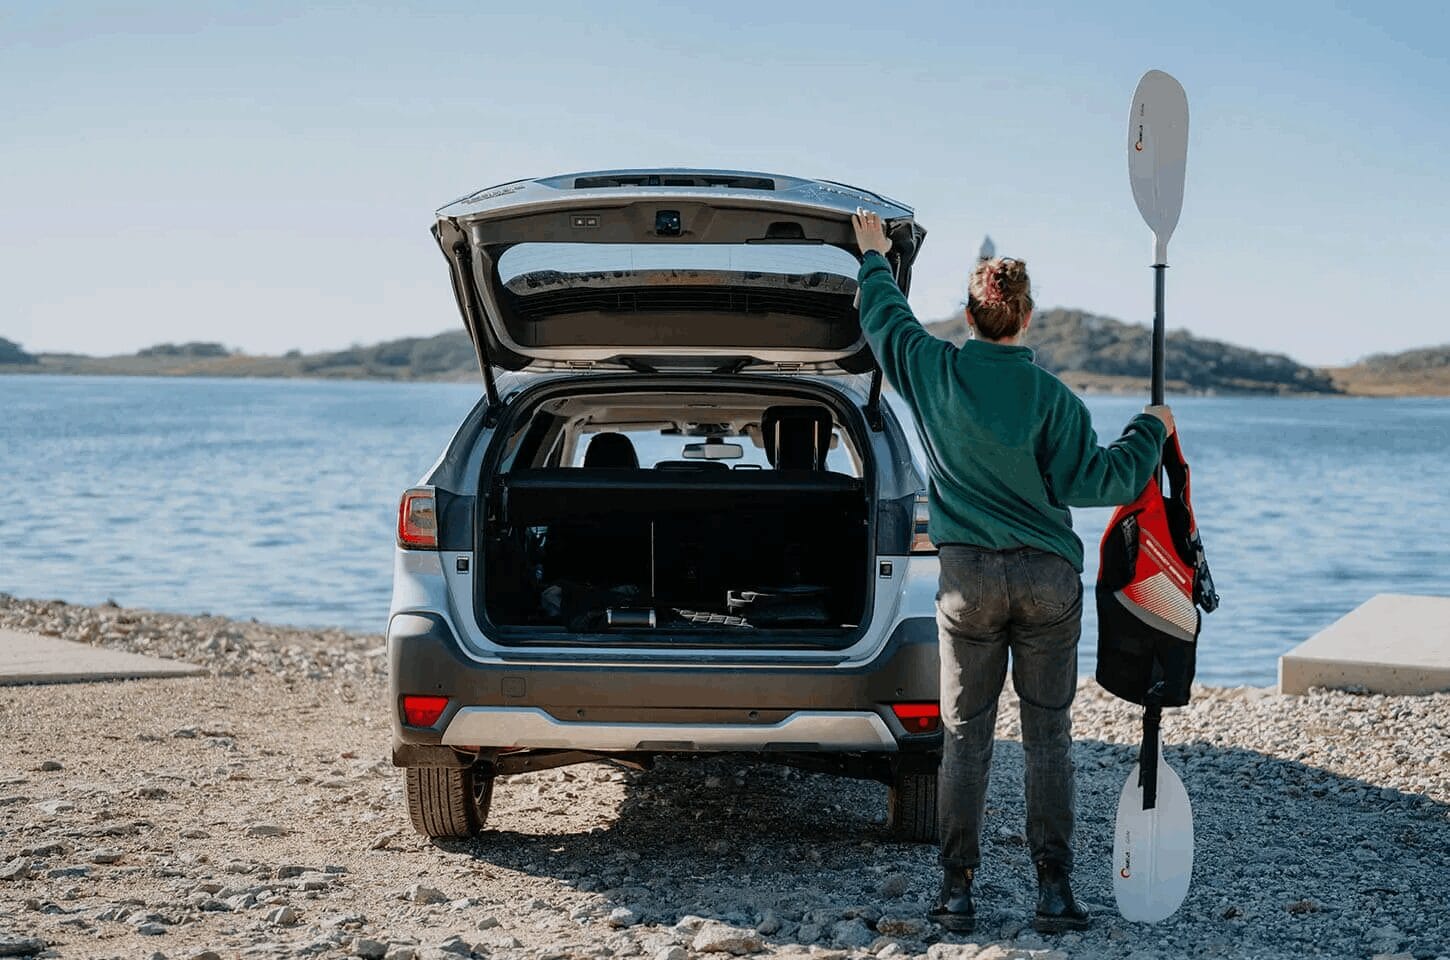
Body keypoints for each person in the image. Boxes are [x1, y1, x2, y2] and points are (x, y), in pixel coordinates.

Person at [851, 209, 1173, 934]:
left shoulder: (932, 368)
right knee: (1048, 735)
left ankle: (957, 892)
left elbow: (884, 317)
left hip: (967, 583)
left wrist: (873, 256)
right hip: (1047, 583)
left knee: (966, 735)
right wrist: (1152, 428)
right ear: (1026, 317)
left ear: (969, 313)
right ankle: (1053, 892)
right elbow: (1104, 481)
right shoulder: (1054, 398)